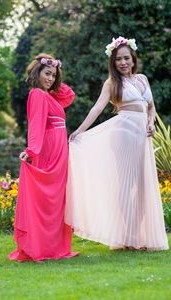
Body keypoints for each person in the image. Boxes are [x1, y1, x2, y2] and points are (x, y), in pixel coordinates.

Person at [65, 37, 169, 251]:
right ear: (113, 62)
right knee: (125, 186)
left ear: (133, 59)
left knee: (142, 186)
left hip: (143, 137)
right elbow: (97, 109)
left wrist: (151, 123)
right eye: (118, 59)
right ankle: (128, 237)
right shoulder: (112, 83)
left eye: (126, 58)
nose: (123, 63)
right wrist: (80, 130)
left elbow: (151, 108)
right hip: (122, 134)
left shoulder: (143, 79)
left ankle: (136, 235)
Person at [8, 53, 79, 262]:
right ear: (37, 73)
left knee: (57, 200)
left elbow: (68, 95)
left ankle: (53, 247)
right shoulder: (37, 95)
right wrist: (31, 150)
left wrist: (54, 71)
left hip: (60, 150)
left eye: (54, 75)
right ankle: (42, 246)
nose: (50, 79)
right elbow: (36, 125)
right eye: (47, 74)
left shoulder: (50, 95)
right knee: (48, 199)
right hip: (48, 150)